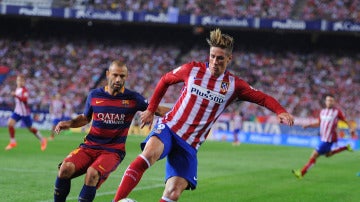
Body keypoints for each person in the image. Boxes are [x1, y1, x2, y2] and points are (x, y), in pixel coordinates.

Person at [113, 28, 294, 202]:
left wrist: (280, 111)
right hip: (170, 127)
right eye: (212, 56)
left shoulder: (234, 85)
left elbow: (262, 97)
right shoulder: (192, 70)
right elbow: (165, 80)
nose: (215, 61)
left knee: (174, 192)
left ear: (229, 59)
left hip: (190, 143)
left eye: (220, 58)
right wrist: (151, 109)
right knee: (149, 154)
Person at [53, 60, 168, 202]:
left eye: (122, 76)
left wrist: (184, 111)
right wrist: (69, 123)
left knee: (92, 174)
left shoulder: (133, 98)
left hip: (113, 151)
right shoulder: (94, 95)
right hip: (89, 146)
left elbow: (157, 109)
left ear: (126, 77)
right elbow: (85, 118)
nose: (118, 79)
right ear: (108, 74)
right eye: (115, 75)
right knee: (65, 169)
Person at [292, 94, 354, 179]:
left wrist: (351, 128)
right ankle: (345, 147)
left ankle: (301, 173)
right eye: (328, 100)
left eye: (331, 101)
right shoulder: (322, 112)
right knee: (328, 154)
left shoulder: (337, 112)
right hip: (322, 138)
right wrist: (308, 125)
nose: (329, 102)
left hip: (329, 139)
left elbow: (346, 121)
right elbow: (319, 123)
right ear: (325, 102)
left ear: (334, 102)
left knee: (314, 155)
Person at [4, 75, 47, 151]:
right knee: (10, 124)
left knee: (30, 129)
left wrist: (16, 96)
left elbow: (25, 100)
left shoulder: (24, 90)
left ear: (24, 82)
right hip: (17, 112)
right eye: (18, 80)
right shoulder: (17, 89)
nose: (19, 82)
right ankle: (13, 142)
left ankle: (42, 139)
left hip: (24, 113)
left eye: (21, 81)